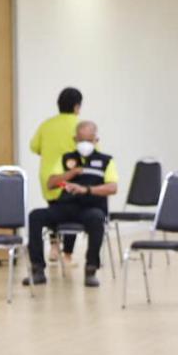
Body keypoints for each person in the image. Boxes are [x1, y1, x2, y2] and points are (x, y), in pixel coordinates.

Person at [26, 120, 118, 287]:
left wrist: (86, 190)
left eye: (89, 140)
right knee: (35, 216)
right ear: (75, 139)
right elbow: (51, 183)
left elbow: (112, 187)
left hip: (91, 208)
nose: (85, 144)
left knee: (97, 219)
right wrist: (71, 173)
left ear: (96, 140)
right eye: (81, 140)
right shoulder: (65, 158)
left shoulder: (106, 161)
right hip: (65, 207)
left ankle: (91, 270)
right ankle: (37, 270)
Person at [28, 87, 83, 266]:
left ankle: (53, 245)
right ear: (77, 106)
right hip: (69, 177)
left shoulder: (47, 125)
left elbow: (34, 147)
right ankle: (67, 255)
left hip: (48, 177)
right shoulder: (79, 126)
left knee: (53, 210)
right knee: (70, 213)